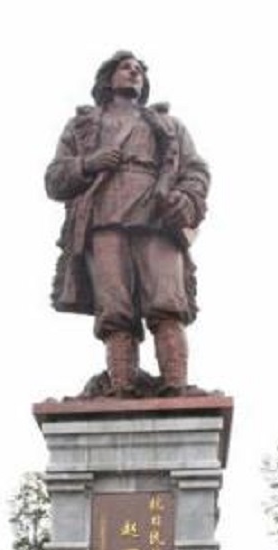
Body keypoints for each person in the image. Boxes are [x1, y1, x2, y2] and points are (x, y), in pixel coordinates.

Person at [45, 50, 210, 396]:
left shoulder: (169, 125)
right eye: (125, 67)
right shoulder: (82, 126)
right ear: (108, 78)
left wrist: (185, 197)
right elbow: (55, 180)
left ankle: (175, 385)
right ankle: (122, 387)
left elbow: (196, 170)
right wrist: (87, 163)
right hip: (103, 218)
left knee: (167, 302)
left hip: (157, 217)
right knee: (114, 308)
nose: (134, 73)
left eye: (138, 70)